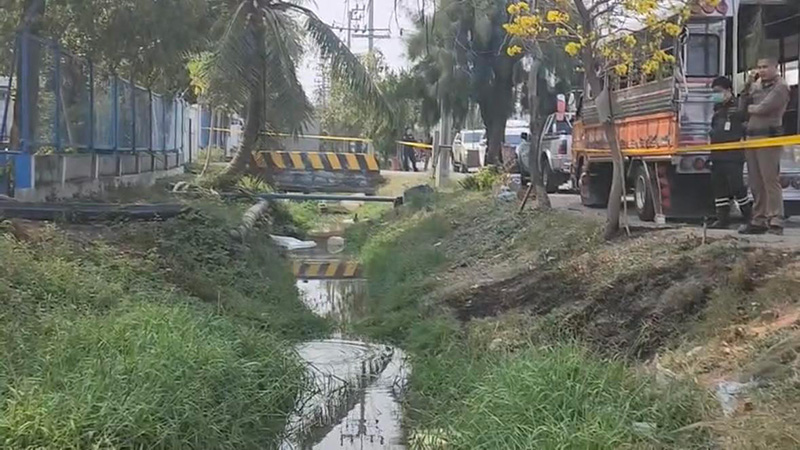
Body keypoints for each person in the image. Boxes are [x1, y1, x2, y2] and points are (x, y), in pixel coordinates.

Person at [739, 57, 791, 235]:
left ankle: (776, 219)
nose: (761, 70)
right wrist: (747, 86)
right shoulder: (756, 85)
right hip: (752, 137)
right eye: (759, 67)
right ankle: (758, 219)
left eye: (765, 67)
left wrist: (752, 108)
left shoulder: (781, 86)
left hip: (769, 138)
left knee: (770, 179)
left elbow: (764, 108)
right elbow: (742, 105)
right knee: (755, 181)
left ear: (775, 67)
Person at [708, 76, 750, 229]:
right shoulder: (717, 109)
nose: (715, 95)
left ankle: (748, 216)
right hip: (717, 155)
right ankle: (722, 219)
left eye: (718, 91)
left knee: (737, 187)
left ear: (729, 91)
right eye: (713, 92)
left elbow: (745, 126)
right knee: (719, 188)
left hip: (733, 155)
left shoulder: (738, 107)